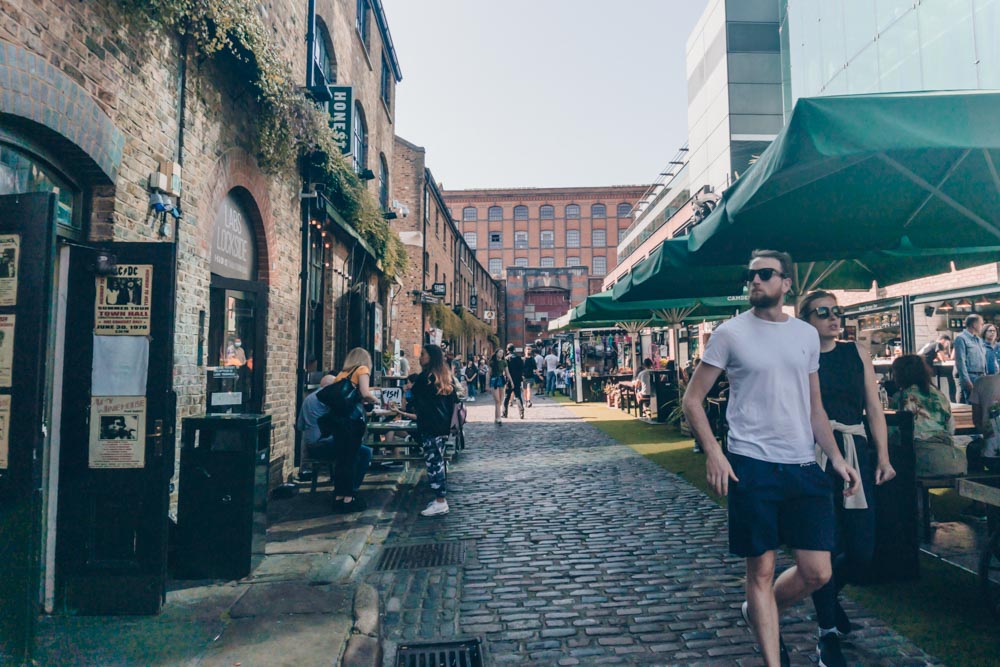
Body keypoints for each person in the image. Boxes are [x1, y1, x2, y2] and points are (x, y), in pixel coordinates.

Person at [682, 250, 860, 667]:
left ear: (787, 283)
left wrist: (835, 456)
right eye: (751, 275)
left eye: (765, 274)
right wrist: (715, 453)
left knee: (819, 572)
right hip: (751, 464)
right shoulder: (729, 333)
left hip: (802, 465)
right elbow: (693, 400)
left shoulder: (804, 335)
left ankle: (756, 610)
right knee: (759, 573)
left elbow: (814, 407)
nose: (755, 281)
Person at [799, 290, 895, 667]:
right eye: (823, 313)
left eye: (837, 312)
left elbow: (874, 407)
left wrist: (883, 456)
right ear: (806, 318)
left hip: (856, 449)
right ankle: (826, 634)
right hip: (814, 455)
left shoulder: (857, 353)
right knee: (823, 543)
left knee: (861, 550)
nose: (833, 318)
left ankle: (826, 593)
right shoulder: (800, 357)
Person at [393, 344, 458, 517]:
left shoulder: (425, 378)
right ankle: (439, 498)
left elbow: (415, 400)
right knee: (437, 461)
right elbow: (454, 400)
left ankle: (440, 501)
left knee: (433, 463)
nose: (419, 357)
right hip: (442, 426)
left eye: (423, 354)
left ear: (431, 357)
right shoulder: (443, 376)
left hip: (430, 426)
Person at [317, 347, 379, 512]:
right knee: (352, 458)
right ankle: (348, 498)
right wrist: (377, 400)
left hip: (338, 421)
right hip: (352, 422)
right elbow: (365, 392)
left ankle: (338, 497)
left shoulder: (342, 374)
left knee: (341, 460)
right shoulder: (362, 369)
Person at [296, 373, 372, 496]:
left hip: (311, 447)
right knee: (364, 452)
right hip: (326, 445)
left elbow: (300, 426)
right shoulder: (330, 399)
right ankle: (352, 490)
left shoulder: (308, 399)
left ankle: (344, 489)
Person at [891, 354, 963, 477]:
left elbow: (893, 432)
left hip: (921, 459)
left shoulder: (902, 397)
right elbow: (951, 428)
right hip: (953, 459)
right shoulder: (938, 395)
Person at [954, 314, 987, 403]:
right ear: (974, 325)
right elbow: (960, 362)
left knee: (982, 405)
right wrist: (966, 380)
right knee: (972, 406)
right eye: (981, 324)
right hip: (971, 376)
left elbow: (983, 358)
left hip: (982, 377)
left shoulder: (979, 339)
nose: (982, 326)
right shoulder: (961, 338)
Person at [919, 334, 955, 401]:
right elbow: (942, 358)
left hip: (918, 363)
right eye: (947, 343)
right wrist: (950, 359)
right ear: (943, 340)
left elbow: (937, 357)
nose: (946, 346)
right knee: (928, 385)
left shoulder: (930, 343)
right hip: (924, 366)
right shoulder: (938, 344)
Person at [503, 343, 526, 419]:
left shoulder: (506, 358)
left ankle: (504, 413)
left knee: (507, 397)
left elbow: (505, 371)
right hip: (517, 380)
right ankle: (521, 412)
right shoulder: (519, 358)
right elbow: (522, 369)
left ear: (507, 349)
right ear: (514, 349)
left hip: (509, 380)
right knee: (518, 396)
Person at [488, 348, 507, 425]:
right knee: (497, 400)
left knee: (501, 400)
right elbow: (488, 373)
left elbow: (507, 372)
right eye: (500, 352)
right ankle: (499, 418)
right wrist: (487, 385)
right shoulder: (492, 362)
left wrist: (511, 381)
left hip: (501, 380)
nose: (501, 354)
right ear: (496, 353)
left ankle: (496, 417)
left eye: (502, 353)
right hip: (494, 380)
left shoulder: (504, 362)